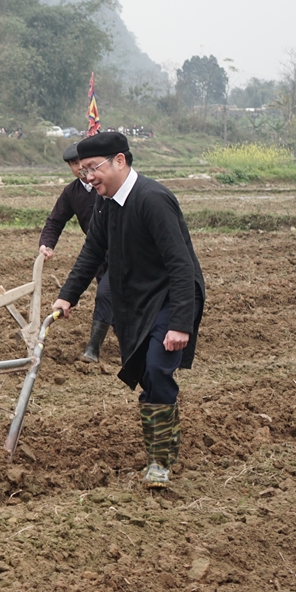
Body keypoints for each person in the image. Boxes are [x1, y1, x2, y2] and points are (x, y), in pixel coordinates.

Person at [51, 132, 205, 490]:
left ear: (119, 161)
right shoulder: (106, 204)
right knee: (148, 373)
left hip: (170, 298)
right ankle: (166, 447)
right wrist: (67, 296)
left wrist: (181, 323)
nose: (88, 178)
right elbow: (92, 252)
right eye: (84, 171)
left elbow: (182, 265)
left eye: (93, 169)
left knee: (155, 366)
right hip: (136, 301)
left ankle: (159, 464)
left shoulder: (153, 199)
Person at [38, 143, 111, 363]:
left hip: (123, 250)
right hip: (97, 254)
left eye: (82, 162)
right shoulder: (71, 192)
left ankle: (93, 349)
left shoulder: (108, 186)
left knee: (107, 295)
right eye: (73, 164)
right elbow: (55, 220)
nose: (79, 167)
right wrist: (47, 244)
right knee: (110, 297)